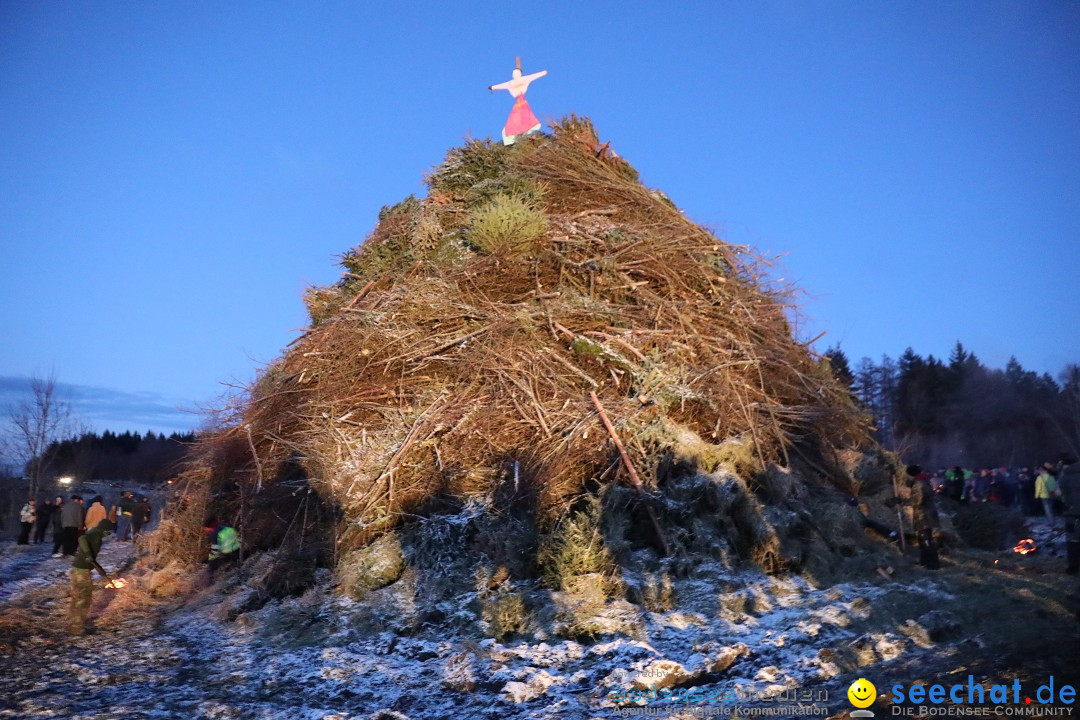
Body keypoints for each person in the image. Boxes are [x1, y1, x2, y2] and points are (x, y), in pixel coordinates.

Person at [68, 509, 117, 635]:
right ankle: (77, 629)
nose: (109, 534)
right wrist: (88, 554)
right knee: (83, 599)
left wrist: (100, 569)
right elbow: (82, 538)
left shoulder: (96, 533)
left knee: (77, 598)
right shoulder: (96, 534)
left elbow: (92, 558)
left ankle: (74, 624)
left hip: (77, 569)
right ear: (105, 529)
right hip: (82, 572)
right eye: (109, 531)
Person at [905, 465, 941, 569]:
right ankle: (925, 562)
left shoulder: (918, 484)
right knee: (925, 539)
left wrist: (901, 501)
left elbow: (916, 501)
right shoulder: (925, 481)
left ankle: (932, 564)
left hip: (924, 516)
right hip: (929, 514)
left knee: (925, 540)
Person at [203, 516, 241, 581]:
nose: (207, 532)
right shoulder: (226, 526)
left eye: (207, 529)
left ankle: (209, 585)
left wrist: (210, 561)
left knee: (210, 568)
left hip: (230, 555)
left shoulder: (215, 533)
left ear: (211, 525)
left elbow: (215, 550)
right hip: (240, 550)